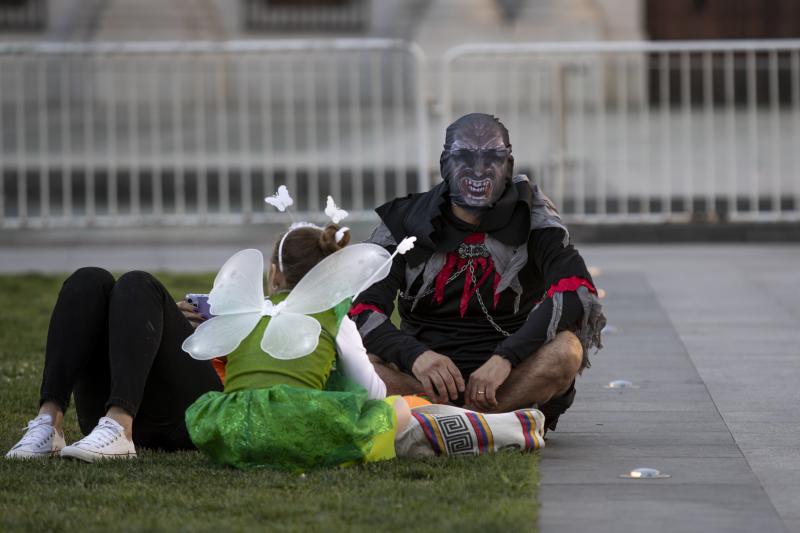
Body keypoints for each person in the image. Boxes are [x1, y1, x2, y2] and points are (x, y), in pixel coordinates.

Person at [183, 222, 548, 470]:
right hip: (295, 426)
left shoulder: (245, 312)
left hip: (232, 429)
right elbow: (371, 390)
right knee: (396, 412)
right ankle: (500, 428)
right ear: (332, 274)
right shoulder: (334, 318)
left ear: (274, 275)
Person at [350, 113, 606, 432]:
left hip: (510, 380)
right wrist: (416, 355)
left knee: (567, 351)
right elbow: (360, 309)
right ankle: (485, 426)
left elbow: (576, 290)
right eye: (465, 157)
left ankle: (453, 423)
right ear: (445, 163)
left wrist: (506, 358)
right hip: (422, 379)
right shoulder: (406, 220)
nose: (479, 169)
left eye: (493, 158)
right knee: (358, 361)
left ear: (508, 165)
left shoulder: (533, 215)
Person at [5, 268, 223, 461]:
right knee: (88, 279)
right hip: (101, 417)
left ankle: (121, 427)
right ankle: (49, 424)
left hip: (195, 415)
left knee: (139, 283)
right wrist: (157, 316)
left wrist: (223, 329)